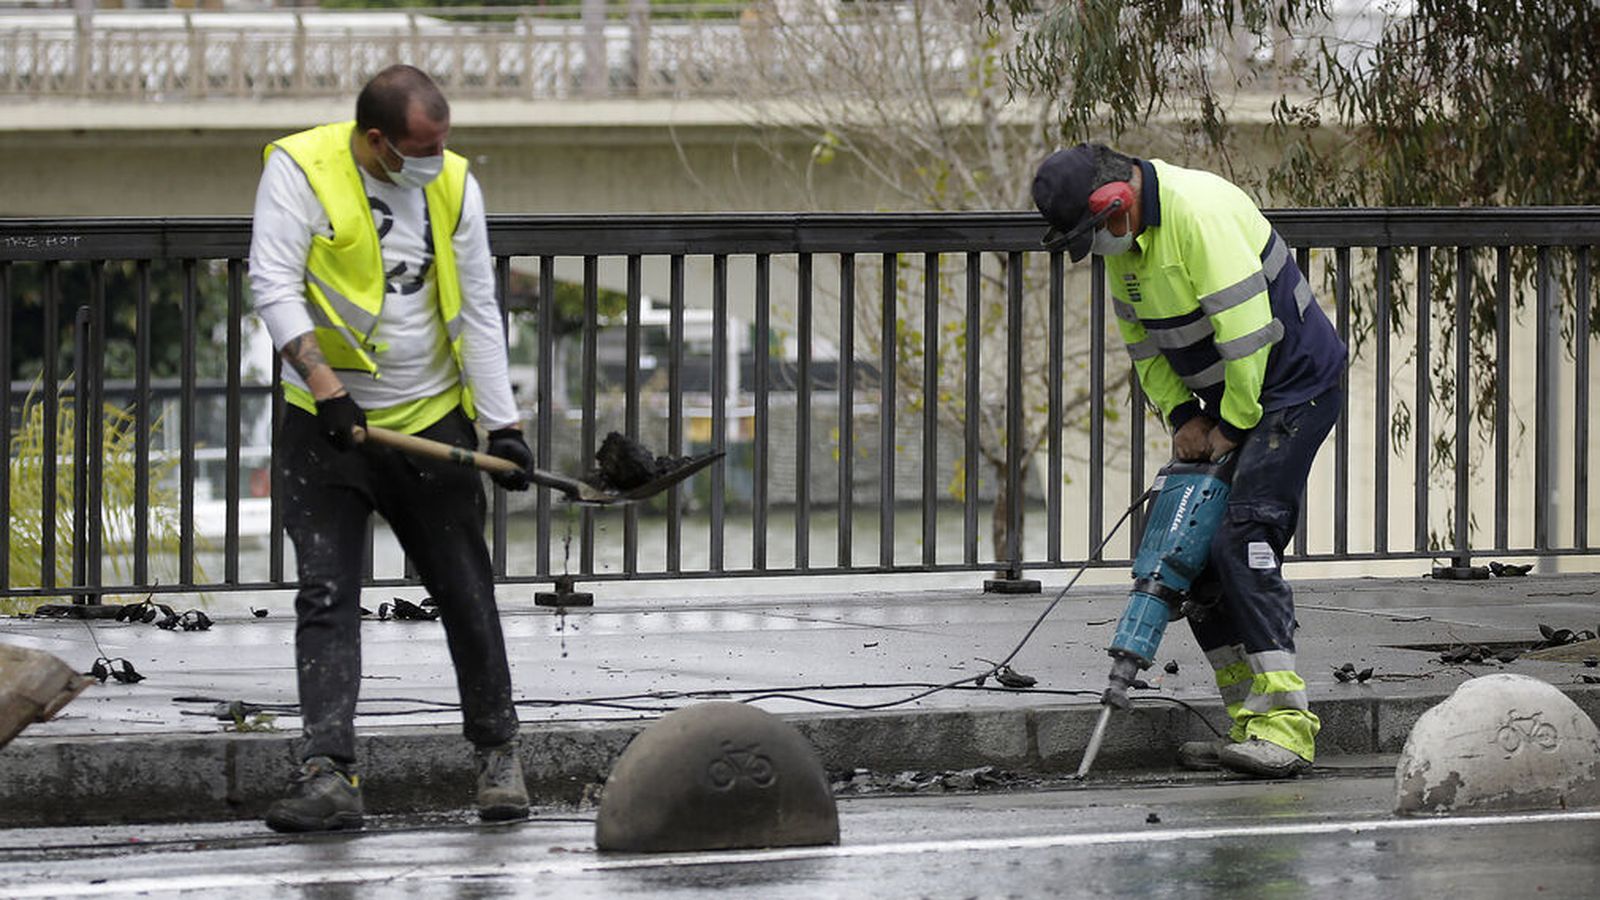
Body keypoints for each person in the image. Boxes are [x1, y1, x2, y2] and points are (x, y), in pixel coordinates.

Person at [249, 64, 536, 831]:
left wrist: (503, 425)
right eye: (422, 146)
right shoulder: (301, 169)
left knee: (464, 588)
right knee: (325, 595)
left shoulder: (454, 186)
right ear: (377, 141)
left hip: (431, 418)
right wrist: (328, 387)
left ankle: (498, 757)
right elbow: (274, 284)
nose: (437, 158)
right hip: (326, 425)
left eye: (444, 142)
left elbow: (479, 307)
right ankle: (329, 775)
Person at [1032, 143, 1347, 778]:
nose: (1094, 248)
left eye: (1094, 232)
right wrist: (1183, 419)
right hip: (1230, 395)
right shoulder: (1128, 251)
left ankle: (1287, 728)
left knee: (1242, 538)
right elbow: (1145, 349)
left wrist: (1229, 425)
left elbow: (1249, 341)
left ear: (1116, 204)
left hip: (1293, 387)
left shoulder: (1198, 215)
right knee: (1195, 562)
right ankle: (1248, 723)